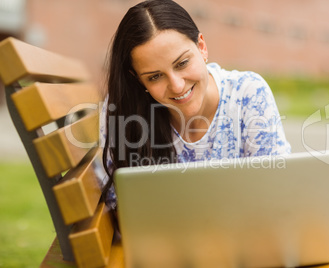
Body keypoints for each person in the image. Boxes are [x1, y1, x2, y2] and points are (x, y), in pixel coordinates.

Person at [100, 0, 291, 211]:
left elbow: (277, 193)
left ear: (202, 47)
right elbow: (117, 205)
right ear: (138, 80)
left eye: (182, 63)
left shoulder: (248, 93)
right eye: (155, 76)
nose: (177, 85)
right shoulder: (124, 110)